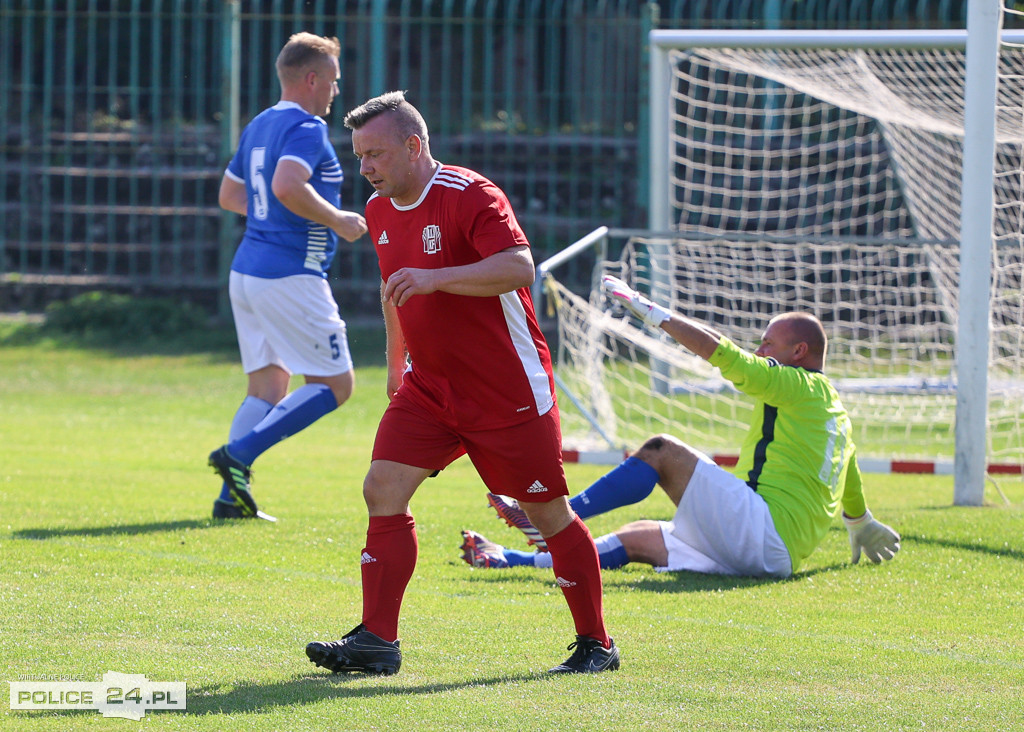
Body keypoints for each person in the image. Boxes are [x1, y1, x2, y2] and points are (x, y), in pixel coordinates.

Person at [304, 91, 618, 676]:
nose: (364, 167)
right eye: (359, 155)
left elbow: (520, 268)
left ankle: (596, 643)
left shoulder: (471, 194)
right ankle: (377, 641)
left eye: (374, 154)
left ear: (413, 146)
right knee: (382, 488)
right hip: (430, 390)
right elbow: (396, 289)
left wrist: (435, 277)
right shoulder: (378, 210)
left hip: (506, 390)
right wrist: (397, 365)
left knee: (546, 513)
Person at [461, 275, 901, 578]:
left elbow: (727, 355)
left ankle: (556, 517)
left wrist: (651, 312)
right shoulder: (835, 412)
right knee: (637, 538)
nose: (761, 347)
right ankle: (511, 560)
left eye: (769, 341)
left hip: (762, 531)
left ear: (799, 351)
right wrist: (860, 522)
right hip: (776, 556)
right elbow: (850, 475)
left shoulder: (798, 384)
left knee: (660, 451)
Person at [209, 32, 367, 521]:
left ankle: (230, 499)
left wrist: (271, 219)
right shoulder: (307, 127)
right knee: (336, 384)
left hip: (248, 271)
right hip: (290, 274)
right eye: (334, 82)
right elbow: (285, 185)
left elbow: (231, 196)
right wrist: (338, 220)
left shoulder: (259, 124)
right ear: (312, 78)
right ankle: (238, 456)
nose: (336, 92)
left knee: (269, 386)